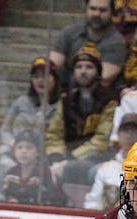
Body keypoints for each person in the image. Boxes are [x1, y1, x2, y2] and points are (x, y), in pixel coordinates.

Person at [44, 44, 118, 184]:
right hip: (64, 156)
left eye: (89, 67)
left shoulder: (110, 100)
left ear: (98, 71)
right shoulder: (66, 99)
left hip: (96, 157)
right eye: (79, 67)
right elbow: (54, 133)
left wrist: (70, 159)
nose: (83, 71)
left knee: (78, 168)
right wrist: (56, 157)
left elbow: (102, 139)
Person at [48, 0, 126, 87]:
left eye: (102, 10)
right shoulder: (70, 32)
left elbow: (104, 77)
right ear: (86, 10)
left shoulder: (117, 41)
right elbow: (52, 65)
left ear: (112, 13)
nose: (97, 14)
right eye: (93, 9)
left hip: (99, 94)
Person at [0, 56, 61, 159]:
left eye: (45, 76)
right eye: (36, 77)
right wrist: (14, 143)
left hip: (44, 155)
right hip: (15, 150)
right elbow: (5, 129)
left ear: (55, 79)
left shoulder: (60, 106)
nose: (40, 80)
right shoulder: (21, 102)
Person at [0, 129, 60, 206]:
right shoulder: (11, 173)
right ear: (14, 151)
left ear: (38, 152)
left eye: (29, 147)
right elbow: (5, 194)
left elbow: (50, 199)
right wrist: (10, 199)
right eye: (19, 147)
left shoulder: (44, 172)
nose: (23, 151)